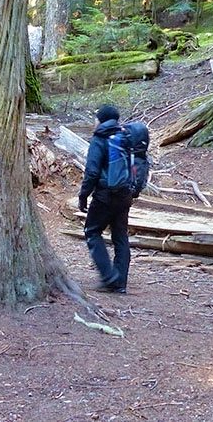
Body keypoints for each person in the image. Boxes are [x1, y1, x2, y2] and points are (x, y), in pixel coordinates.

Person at [78, 104, 132, 293]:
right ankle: (120, 283)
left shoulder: (99, 138)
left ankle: (109, 277)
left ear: (101, 119)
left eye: (96, 117)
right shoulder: (125, 136)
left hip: (105, 195)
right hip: (125, 194)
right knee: (120, 236)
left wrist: (83, 195)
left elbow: (92, 172)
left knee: (92, 231)